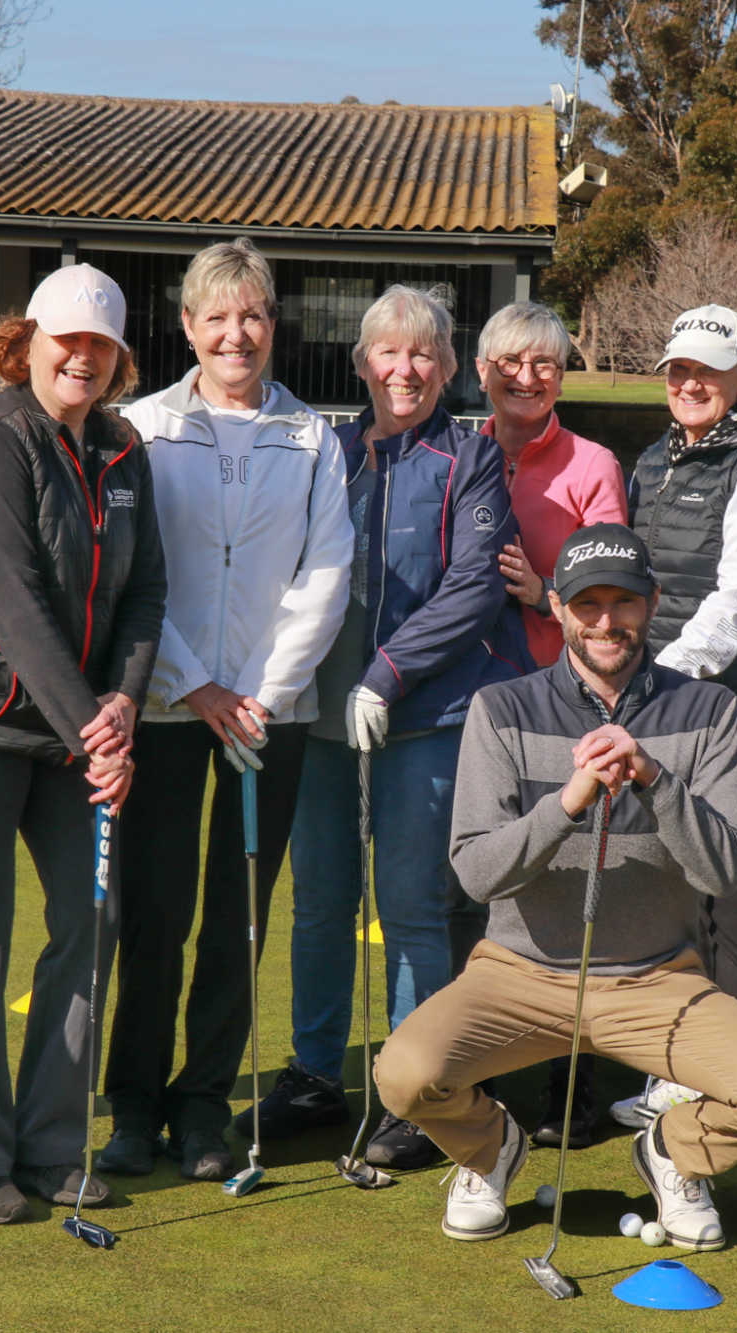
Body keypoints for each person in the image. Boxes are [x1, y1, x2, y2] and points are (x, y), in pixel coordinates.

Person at [373, 523, 737, 1250]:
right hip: (517, 973)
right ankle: (491, 1151)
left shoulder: (709, 710)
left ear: (654, 602)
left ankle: (674, 1153)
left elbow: (724, 869)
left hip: (654, 978)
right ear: (557, 608)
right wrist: (568, 801)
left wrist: (653, 777)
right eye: (588, 604)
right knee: (405, 1076)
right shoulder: (504, 708)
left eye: (624, 602)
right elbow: (478, 871)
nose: (607, 622)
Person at [233, 284, 527, 1171]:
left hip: (425, 718)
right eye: (389, 353)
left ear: (445, 367)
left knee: (412, 907)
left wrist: (387, 675)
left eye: (424, 353)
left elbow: (475, 584)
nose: (406, 369)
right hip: (319, 716)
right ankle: (318, 1071)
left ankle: (418, 1087)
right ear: (363, 363)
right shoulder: (329, 449)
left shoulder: (469, 456)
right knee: (320, 903)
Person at [0, 263, 166, 1224]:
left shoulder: (125, 453)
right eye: (68, 341)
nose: (82, 358)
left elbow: (145, 594)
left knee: (88, 925)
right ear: (30, 343)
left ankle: (53, 1145)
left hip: (76, 733)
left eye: (100, 345)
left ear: (118, 355)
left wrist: (123, 708)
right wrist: (94, 726)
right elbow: (11, 602)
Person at [99, 239, 352, 1180]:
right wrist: (195, 682)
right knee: (153, 915)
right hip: (166, 705)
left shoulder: (313, 437)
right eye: (217, 317)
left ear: (271, 327)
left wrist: (263, 693)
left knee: (238, 916)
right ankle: (133, 1104)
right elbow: (131, 575)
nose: (235, 334)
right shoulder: (141, 428)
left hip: (266, 717)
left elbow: (325, 574)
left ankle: (205, 1105)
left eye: (251, 317)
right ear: (189, 327)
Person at [618, 305, 737, 1121]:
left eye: (708, 372)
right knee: (678, 897)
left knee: (732, 893)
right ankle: (683, 1066)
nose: (690, 384)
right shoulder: (655, 460)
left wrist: (656, 678)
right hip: (665, 708)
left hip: (736, 715)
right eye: (679, 370)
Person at [475, 299, 627, 1148]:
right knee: (487, 885)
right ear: (483, 370)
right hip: (473, 705)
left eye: (545, 365)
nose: (528, 378)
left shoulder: (591, 462)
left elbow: (614, 589)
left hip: (559, 696)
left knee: (566, 889)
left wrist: (546, 595)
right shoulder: (461, 451)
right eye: (511, 363)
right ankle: (485, 1074)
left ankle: (575, 1083)